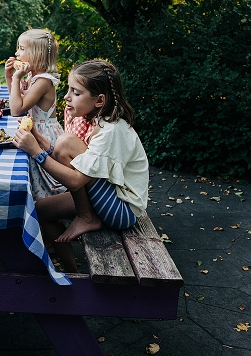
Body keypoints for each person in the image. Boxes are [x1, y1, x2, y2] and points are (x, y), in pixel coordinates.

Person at [12, 60, 149, 273]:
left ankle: (86, 217)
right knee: (41, 210)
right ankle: (71, 271)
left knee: (65, 142)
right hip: (108, 194)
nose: (66, 97)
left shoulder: (111, 131)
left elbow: (76, 179)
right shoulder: (96, 121)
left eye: (75, 92)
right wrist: (38, 139)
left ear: (99, 100)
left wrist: (36, 152)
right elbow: (73, 162)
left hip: (123, 208)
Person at [3, 29, 66, 200]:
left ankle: (46, 214)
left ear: (37, 54)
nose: (17, 53)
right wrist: (10, 77)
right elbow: (16, 101)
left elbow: (17, 110)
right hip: (35, 130)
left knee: (43, 188)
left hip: (43, 135)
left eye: (22, 49)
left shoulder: (43, 81)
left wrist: (17, 79)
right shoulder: (34, 76)